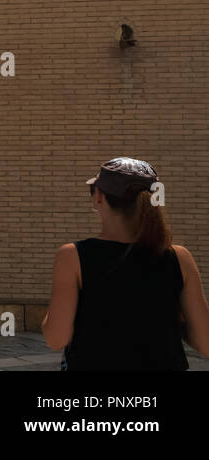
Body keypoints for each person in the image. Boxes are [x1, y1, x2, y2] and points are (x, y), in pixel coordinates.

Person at [43, 157, 209, 370]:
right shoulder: (179, 257)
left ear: (99, 198)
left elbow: (56, 338)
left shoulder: (73, 256)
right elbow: (206, 342)